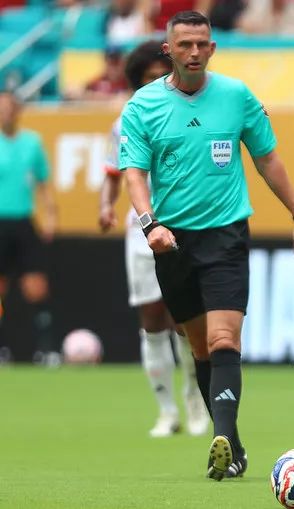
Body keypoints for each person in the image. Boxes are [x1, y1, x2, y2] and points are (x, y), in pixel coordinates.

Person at [117, 10, 294, 481]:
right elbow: (134, 174)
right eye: (184, 44)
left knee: (226, 339)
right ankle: (234, 444)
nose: (193, 52)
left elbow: (267, 159)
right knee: (199, 348)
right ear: (169, 49)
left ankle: (219, 438)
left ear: (212, 48)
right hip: (171, 241)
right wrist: (150, 226)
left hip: (226, 234)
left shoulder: (236, 96)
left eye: (201, 43)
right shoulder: (142, 106)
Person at [99, 39, 210, 438]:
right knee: (152, 319)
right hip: (141, 229)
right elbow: (114, 174)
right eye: (148, 77)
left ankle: (196, 401)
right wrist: (105, 206)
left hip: (184, 223)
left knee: (184, 320)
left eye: (161, 74)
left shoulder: (191, 112)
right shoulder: (126, 119)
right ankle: (167, 410)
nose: (157, 82)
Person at [0, 92, 59, 367]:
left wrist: (50, 214)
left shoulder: (32, 143)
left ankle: (44, 351)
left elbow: (43, 183)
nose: (4, 113)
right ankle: (3, 350)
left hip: (24, 222)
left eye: (8, 108)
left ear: (17, 111)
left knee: (35, 287)